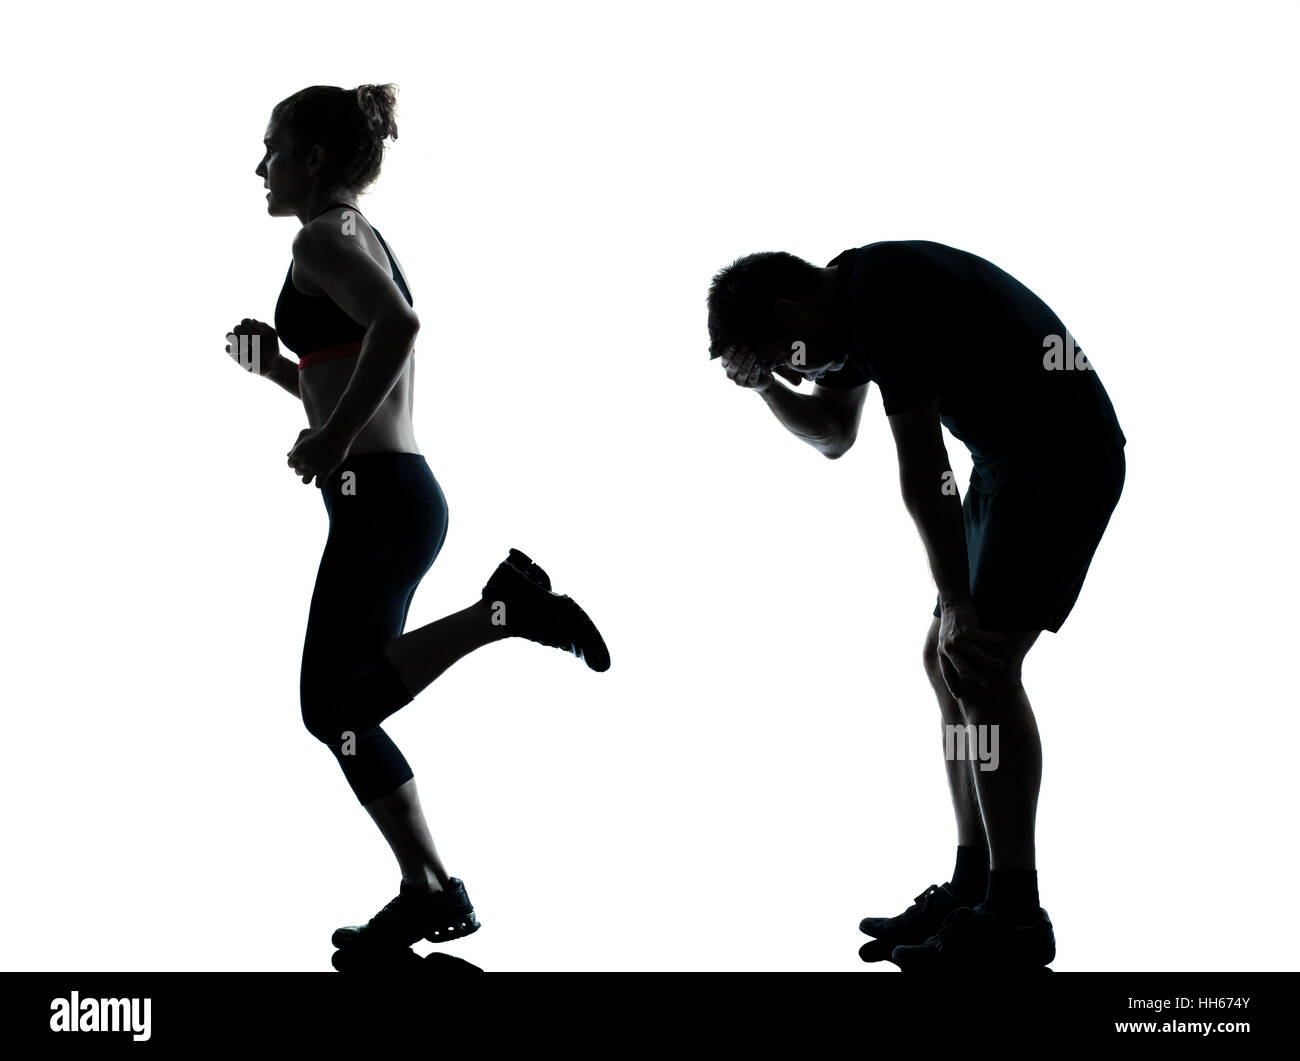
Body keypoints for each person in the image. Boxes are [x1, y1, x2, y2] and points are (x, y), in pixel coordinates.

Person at [226, 83, 610, 953]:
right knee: (345, 707)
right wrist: (277, 376)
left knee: (332, 706)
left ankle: (505, 612)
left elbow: (400, 328)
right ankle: (430, 886)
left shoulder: (324, 235)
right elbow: (359, 368)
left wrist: (328, 437)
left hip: (383, 500)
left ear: (313, 157)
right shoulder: (353, 235)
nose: (260, 165)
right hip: (391, 497)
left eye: (273, 147)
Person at [707, 240, 1126, 970]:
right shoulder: (840, 307)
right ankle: (973, 885)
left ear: (789, 311)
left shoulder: (886, 299)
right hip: (1007, 460)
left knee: (979, 665)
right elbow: (834, 434)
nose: (799, 374)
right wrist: (768, 388)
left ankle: (1016, 913)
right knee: (945, 664)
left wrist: (960, 601)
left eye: (787, 359)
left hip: (1063, 456)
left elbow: (924, 469)